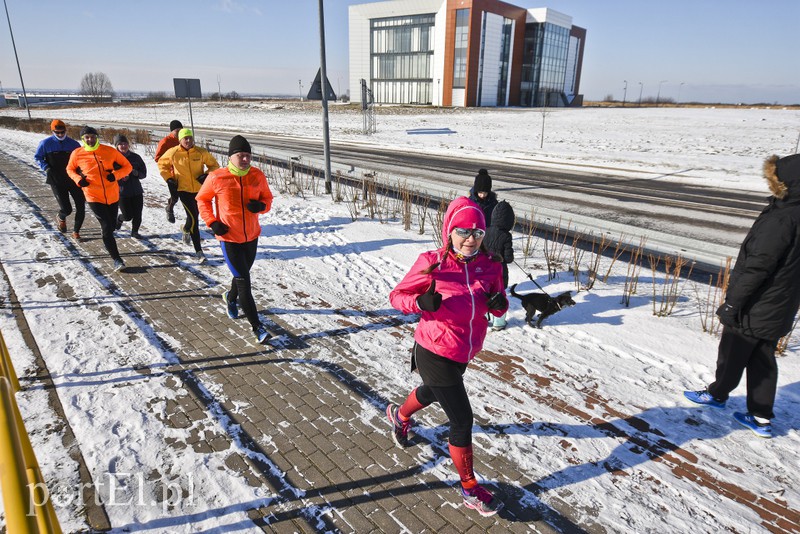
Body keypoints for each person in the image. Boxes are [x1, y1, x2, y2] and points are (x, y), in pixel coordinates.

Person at [386, 196, 508, 517]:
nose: (471, 239)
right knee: (462, 420)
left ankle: (399, 417)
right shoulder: (432, 263)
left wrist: (497, 304)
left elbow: (500, 305)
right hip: (432, 350)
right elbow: (397, 296)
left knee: (431, 392)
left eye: (477, 233)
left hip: (462, 352)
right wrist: (420, 303)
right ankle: (469, 489)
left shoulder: (490, 264)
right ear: (449, 231)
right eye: (463, 231)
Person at [684, 153, 800, 439]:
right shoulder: (793, 211)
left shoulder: (782, 218)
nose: (769, 182)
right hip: (781, 304)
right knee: (763, 358)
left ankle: (717, 395)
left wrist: (734, 302)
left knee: (732, 352)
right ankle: (760, 417)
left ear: (785, 182)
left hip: (756, 303)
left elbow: (757, 265)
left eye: (773, 178)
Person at [196, 135, 274, 343]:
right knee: (244, 282)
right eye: (241, 156)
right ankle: (257, 328)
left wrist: (261, 207)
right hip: (229, 238)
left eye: (248, 156)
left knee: (242, 275)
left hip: (251, 237)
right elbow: (202, 200)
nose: (246, 160)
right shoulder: (217, 177)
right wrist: (212, 222)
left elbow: (268, 199)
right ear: (231, 157)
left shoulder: (257, 176)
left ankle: (230, 298)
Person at [66, 126, 133, 271]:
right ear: (83, 139)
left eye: (92, 136)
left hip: (112, 195)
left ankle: (109, 240)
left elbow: (127, 166)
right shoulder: (77, 154)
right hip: (93, 195)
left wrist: (115, 175)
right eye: (86, 137)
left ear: (97, 137)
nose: (90, 140)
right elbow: (69, 169)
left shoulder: (109, 151)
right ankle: (117, 259)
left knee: (111, 227)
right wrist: (78, 179)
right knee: (107, 228)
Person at [157, 128, 220, 263]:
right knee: (194, 218)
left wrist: (207, 175)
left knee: (194, 216)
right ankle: (199, 251)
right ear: (180, 140)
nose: (188, 141)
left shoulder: (200, 152)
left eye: (190, 138)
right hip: (183, 190)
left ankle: (185, 229)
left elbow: (214, 165)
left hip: (200, 190)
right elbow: (162, 164)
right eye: (185, 138)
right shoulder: (173, 152)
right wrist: (168, 178)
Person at [34, 119, 85, 239]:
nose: (61, 134)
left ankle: (76, 231)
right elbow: (38, 157)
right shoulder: (45, 144)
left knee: (81, 206)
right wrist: (46, 168)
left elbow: (81, 159)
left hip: (73, 179)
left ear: (66, 130)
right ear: (52, 131)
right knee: (67, 209)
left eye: (62, 132)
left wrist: (82, 172)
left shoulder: (74, 144)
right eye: (57, 132)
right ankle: (61, 217)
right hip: (56, 180)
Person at [483, 200, 515, 330]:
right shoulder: (506, 236)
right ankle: (499, 322)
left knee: (485, 293)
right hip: (499, 271)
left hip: (485, 268)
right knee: (499, 295)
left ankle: (485, 317)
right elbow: (508, 258)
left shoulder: (486, 230)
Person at [113, 134, 147, 238]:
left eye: (125, 143)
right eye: (120, 144)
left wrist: (136, 173)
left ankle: (135, 232)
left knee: (138, 214)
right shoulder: (113, 159)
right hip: (122, 192)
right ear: (116, 146)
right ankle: (119, 219)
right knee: (127, 216)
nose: (123, 146)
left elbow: (143, 173)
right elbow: (110, 176)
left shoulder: (135, 157)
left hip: (136, 191)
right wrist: (120, 177)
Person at [154, 119, 183, 223]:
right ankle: (169, 208)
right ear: (172, 131)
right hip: (171, 174)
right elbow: (157, 158)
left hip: (184, 172)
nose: (179, 132)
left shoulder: (183, 140)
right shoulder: (165, 141)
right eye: (177, 130)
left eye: (180, 130)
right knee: (175, 196)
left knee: (185, 195)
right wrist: (170, 162)